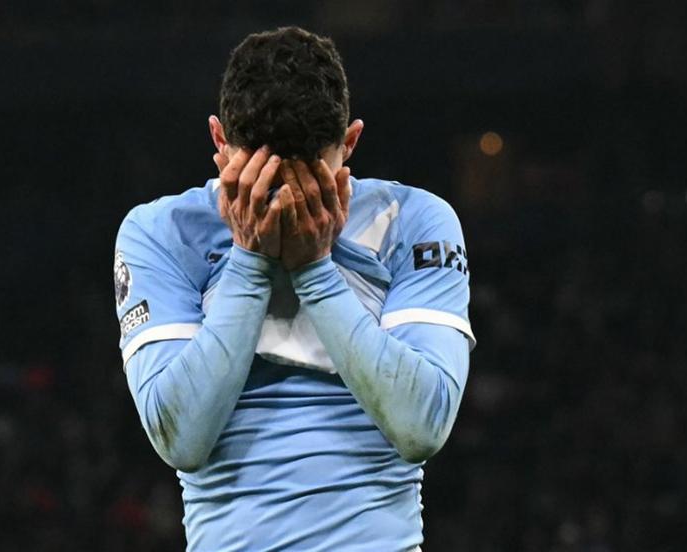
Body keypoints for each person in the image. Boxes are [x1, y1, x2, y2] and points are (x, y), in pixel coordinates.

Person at [114, 26, 475, 552]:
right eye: (263, 182)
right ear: (220, 142)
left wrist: (315, 271)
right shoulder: (163, 233)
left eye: (308, 184)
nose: (285, 208)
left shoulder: (413, 221)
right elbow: (182, 438)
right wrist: (250, 259)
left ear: (349, 144)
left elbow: (421, 426)